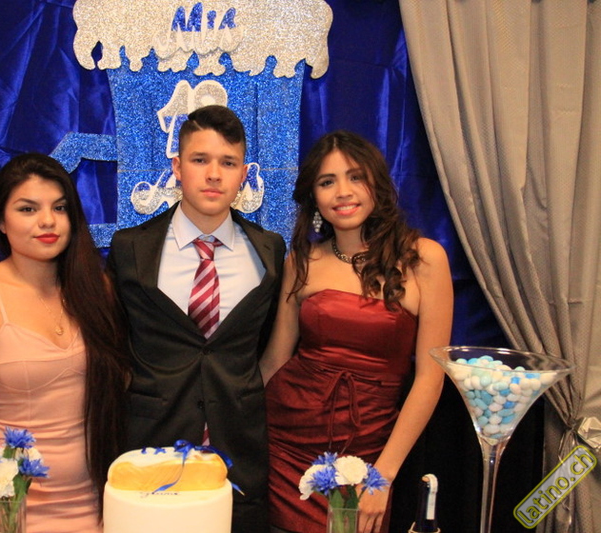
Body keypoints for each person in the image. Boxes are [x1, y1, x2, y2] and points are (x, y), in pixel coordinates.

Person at [260, 131, 453, 533]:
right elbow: (276, 360)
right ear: (313, 196)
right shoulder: (302, 261)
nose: (342, 192)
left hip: (368, 453)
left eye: (355, 177)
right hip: (285, 444)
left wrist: (383, 475)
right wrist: (224, 426)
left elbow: (430, 379)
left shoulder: (425, 259)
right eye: (327, 182)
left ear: (376, 184)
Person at [106, 105, 286, 533]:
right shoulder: (130, 248)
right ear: (177, 167)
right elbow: (112, 343)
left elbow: (265, 347)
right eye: (200, 159)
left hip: (239, 454)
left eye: (229, 162)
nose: (214, 174)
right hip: (150, 450)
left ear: (243, 174)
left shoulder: (270, 251)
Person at [0, 153, 130, 533]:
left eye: (59, 207)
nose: (47, 221)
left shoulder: (96, 288)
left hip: (93, 499)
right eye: (28, 209)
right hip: (8, 501)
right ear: (1, 221)